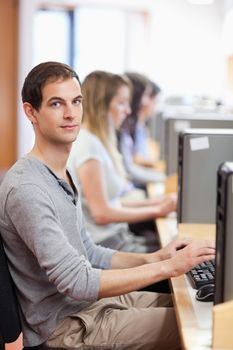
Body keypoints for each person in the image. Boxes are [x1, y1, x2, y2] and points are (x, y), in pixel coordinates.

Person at [0, 61, 215, 350]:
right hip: (66, 325)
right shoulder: (27, 188)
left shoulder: (61, 172)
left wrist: (158, 257)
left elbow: (89, 252)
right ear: (31, 112)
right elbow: (77, 281)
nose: (70, 113)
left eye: (76, 101)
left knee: (201, 310)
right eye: (56, 103)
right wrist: (170, 267)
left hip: (88, 305)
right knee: (203, 334)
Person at [68, 70, 176, 253]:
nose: (128, 110)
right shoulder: (88, 146)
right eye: (121, 103)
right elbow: (102, 213)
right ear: (102, 105)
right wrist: (156, 210)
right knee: (179, 255)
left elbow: (114, 202)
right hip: (108, 245)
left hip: (118, 238)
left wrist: (158, 203)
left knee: (181, 248)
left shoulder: (97, 141)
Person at [118, 72, 165, 189]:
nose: (146, 102)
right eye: (146, 95)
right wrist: (163, 177)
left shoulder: (134, 127)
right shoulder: (121, 130)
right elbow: (130, 168)